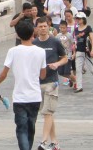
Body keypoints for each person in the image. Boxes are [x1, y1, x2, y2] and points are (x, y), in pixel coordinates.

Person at [0, 19, 47, 150]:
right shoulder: (41, 51)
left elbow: (4, 73)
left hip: (20, 97)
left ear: (17, 34)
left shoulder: (13, 51)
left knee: (21, 129)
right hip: (35, 96)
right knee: (31, 127)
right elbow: (43, 75)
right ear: (33, 32)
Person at [33, 18, 69, 150]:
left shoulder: (55, 41)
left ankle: (43, 141)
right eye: (40, 26)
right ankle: (55, 142)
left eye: (45, 26)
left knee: (47, 111)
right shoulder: (34, 43)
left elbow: (65, 57)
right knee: (47, 113)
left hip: (52, 82)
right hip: (38, 82)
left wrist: (57, 64)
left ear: (49, 27)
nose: (43, 28)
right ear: (36, 28)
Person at [73, 15, 93, 92]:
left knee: (92, 69)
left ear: (83, 19)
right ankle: (79, 86)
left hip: (87, 51)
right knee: (78, 69)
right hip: (79, 50)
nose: (77, 20)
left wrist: (92, 50)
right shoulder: (76, 29)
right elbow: (75, 41)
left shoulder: (88, 28)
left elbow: (92, 39)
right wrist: (74, 52)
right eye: (77, 18)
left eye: (79, 18)